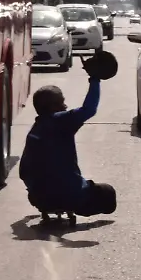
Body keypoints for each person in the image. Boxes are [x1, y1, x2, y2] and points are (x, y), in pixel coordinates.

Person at [19, 76, 117, 218]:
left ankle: (53, 205)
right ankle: (74, 204)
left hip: (40, 199)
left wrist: (35, 192)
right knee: (108, 192)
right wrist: (95, 80)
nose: (65, 106)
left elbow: (24, 172)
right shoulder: (62, 120)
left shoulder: (34, 131)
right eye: (61, 102)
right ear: (52, 107)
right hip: (72, 196)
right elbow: (89, 109)